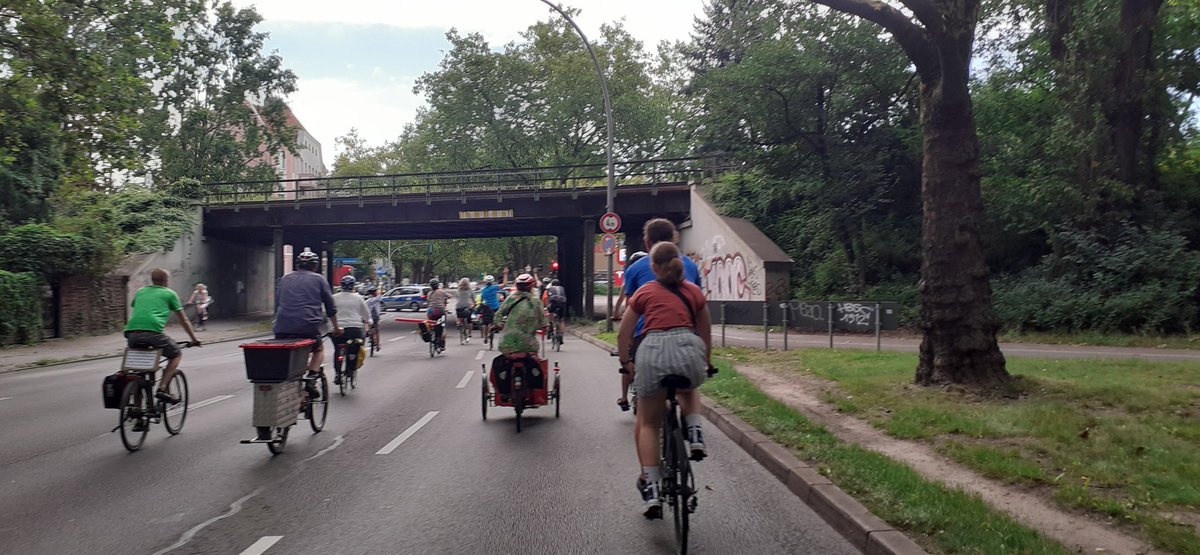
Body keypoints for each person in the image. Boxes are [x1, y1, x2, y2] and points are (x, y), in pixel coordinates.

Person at [617, 242, 712, 519]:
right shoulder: (694, 292)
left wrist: (627, 363)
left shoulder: (645, 292)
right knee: (689, 388)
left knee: (648, 423)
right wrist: (705, 361)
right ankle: (694, 433)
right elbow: (705, 333)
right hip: (687, 347)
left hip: (653, 352)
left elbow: (625, 334)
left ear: (654, 267)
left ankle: (654, 490)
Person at [616, 218, 702, 411]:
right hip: (688, 340)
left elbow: (629, 319)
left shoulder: (636, 271)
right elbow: (701, 318)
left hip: (647, 340)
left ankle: (633, 406)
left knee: (648, 423)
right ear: (675, 239)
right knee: (689, 389)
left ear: (647, 243)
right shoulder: (691, 267)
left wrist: (625, 358)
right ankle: (694, 428)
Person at [124, 268, 202, 414]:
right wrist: (194, 339)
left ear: (152, 280)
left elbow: (138, 309)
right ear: (166, 281)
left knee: (138, 371)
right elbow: (184, 319)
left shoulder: (141, 291)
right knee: (176, 353)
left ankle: (137, 412)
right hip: (153, 333)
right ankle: (162, 388)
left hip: (131, 333)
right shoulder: (169, 294)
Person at [273, 248, 341, 398]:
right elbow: (330, 307)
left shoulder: (285, 278)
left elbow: (278, 302)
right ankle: (311, 378)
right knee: (318, 350)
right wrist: (336, 327)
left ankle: (289, 385)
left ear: (297, 266)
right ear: (315, 267)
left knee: (288, 355)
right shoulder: (319, 279)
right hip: (307, 327)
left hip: (282, 327)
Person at [495, 273, 547, 355]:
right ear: (532, 286)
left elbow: (499, 313)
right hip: (528, 345)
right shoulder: (536, 301)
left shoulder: (511, 299)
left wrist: (498, 324)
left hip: (507, 345)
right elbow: (543, 321)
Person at [331, 275, 370, 385]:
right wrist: (368, 323)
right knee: (357, 345)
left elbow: (327, 312)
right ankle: (351, 366)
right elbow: (366, 315)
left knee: (337, 349)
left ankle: (338, 374)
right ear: (353, 286)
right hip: (355, 328)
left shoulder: (334, 297)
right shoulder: (358, 298)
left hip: (337, 328)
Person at [477, 268, 509, 343]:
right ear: (492, 282)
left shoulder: (483, 290)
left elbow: (482, 299)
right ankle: (496, 326)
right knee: (498, 317)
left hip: (486, 307)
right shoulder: (494, 288)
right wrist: (505, 274)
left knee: (485, 323)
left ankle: (485, 337)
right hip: (495, 307)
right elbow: (504, 284)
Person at [425, 279, 451, 351]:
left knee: (430, 321)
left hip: (431, 310)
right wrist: (444, 299)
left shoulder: (429, 293)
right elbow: (450, 296)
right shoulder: (441, 291)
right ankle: (442, 344)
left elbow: (428, 302)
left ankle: (431, 331)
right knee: (442, 327)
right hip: (440, 310)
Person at [454, 277, 475, 342]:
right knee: (469, 320)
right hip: (468, 306)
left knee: (459, 316)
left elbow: (457, 297)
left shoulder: (458, 290)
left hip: (459, 306)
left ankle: (458, 322)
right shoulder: (470, 290)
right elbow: (473, 298)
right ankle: (470, 333)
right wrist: (474, 304)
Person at [365, 286, 382, 352]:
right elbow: (380, 294)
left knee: (367, 324)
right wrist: (380, 288)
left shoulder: (367, 300)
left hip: (369, 316)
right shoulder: (377, 298)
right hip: (376, 317)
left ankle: (368, 332)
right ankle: (378, 345)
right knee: (377, 330)